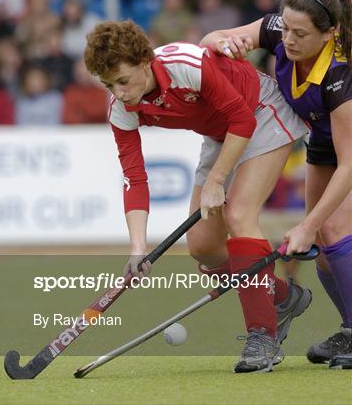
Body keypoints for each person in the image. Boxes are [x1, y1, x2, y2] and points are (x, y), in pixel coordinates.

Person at [84, 19, 311, 374]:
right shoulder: (121, 108)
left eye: (124, 81)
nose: (121, 92)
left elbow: (241, 119)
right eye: (109, 84)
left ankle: (262, 337)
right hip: (221, 135)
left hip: (259, 111)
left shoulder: (185, 65)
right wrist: (138, 247)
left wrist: (216, 180)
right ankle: (281, 296)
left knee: (239, 217)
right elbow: (134, 177)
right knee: (203, 246)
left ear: (145, 61)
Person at [201, 0, 352, 367]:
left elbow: (348, 163)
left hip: (347, 147)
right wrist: (221, 43)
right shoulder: (277, 30)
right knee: (322, 243)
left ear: (330, 34)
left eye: (300, 34)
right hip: (321, 142)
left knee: (330, 228)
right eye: (285, 28)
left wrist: (305, 226)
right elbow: (212, 39)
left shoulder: (340, 74)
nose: (288, 39)